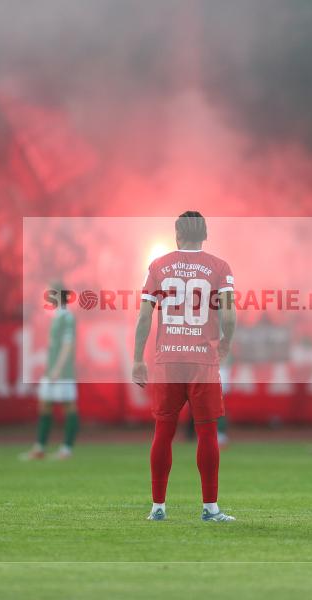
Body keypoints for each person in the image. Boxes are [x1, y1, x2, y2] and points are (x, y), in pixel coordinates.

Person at [133, 211, 236, 522]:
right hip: (202, 360)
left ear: (177, 235)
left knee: (163, 432)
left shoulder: (158, 266)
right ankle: (210, 508)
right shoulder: (220, 267)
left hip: (168, 360)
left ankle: (158, 508)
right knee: (207, 433)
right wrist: (226, 343)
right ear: (204, 234)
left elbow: (143, 317)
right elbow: (229, 316)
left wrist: (138, 358)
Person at [22, 280, 79, 460]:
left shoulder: (67, 317)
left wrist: (57, 368)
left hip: (63, 371)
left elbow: (67, 345)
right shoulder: (56, 316)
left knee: (68, 406)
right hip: (51, 370)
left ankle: (66, 449)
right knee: (44, 405)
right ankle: (40, 448)